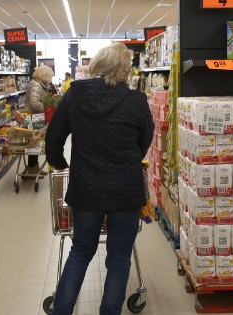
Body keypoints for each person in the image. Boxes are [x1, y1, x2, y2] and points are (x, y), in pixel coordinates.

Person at [45, 42, 154, 315]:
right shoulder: (136, 101)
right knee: (118, 259)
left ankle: (62, 311)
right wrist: (128, 159)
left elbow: (54, 137)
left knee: (81, 251)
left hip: (86, 187)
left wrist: (60, 163)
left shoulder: (74, 95)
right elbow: (146, 139)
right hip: (125, 190)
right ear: (123, 71)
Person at [24, 65, 55, 175]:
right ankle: (32, 169)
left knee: (36, 144)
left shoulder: (39, 84)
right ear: (45, 75)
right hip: (33, 118)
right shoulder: (36, 85)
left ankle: (34, 167)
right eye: (50, 76)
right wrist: (48, 109)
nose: (50, 79)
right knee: (34, 144)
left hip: (36, 118)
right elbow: (34, 103)